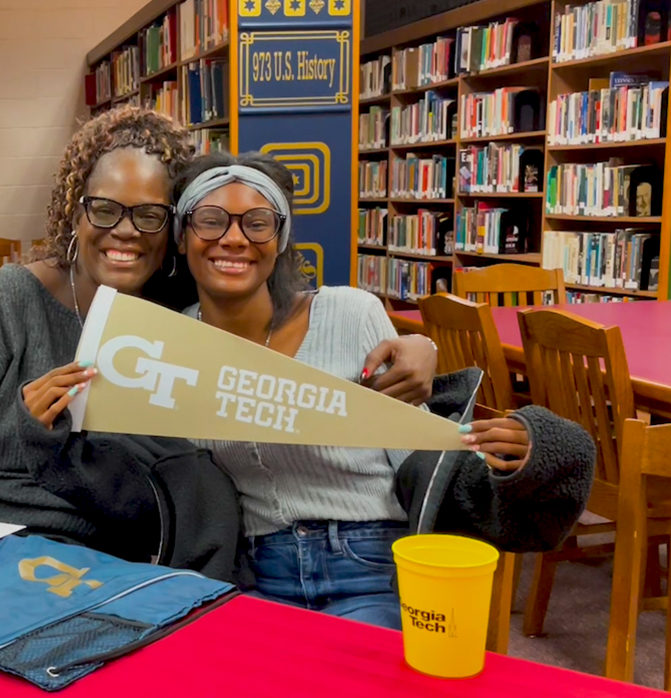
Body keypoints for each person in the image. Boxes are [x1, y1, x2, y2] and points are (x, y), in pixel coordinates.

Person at [0, 106, 439, 564]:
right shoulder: (8, 299)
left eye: (149, 215)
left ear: (175, 229)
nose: (125, 231)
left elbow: (278, 344)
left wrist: (421, 346)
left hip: (115, 562)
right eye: (105, 210)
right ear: (75, 211)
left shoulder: (175, 318)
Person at [161, 150, 595, 628]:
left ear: (280, 237)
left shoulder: (350, 314)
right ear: (182, 237)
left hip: (369, 562)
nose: (235, 238)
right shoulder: (170, 344)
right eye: (210, 220)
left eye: (258, 223)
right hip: (255, 577)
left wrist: (519, 454)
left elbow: (413, 450)